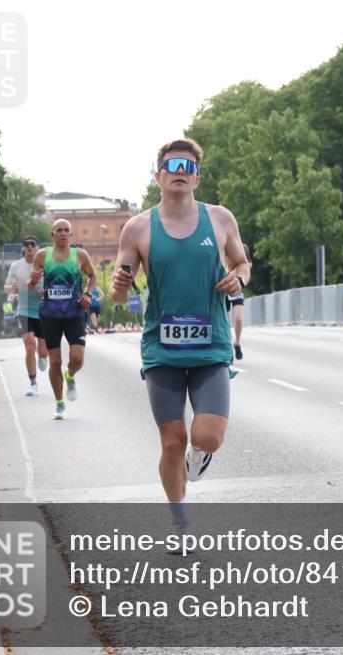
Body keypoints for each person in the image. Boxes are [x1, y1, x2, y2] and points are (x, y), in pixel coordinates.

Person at [110, 138, 249, 545]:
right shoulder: (137, 227)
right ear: (158, 175)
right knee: (172, 440)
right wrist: (119, 287)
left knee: (207, 436)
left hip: (210, 345)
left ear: (197, 178)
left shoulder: (220, 219)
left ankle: (199, 456)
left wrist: (238, 277)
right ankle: (180, 524)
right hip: (162, 348)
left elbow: (241, 262)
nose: (179, 171)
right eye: (171, 165)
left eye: (187, 166)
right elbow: (120, 295)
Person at [28, 220, 97, 419]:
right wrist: (32, 280)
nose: (63, 233)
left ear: (71, 234)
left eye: (67, 230)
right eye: (59, 230)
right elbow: (30, 286)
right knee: (55, 361)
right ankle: (59, 403)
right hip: (50, 315)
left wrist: (87, 294)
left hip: (74, 313)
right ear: (53, 234)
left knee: (77, 358)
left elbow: (93, 277)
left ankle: (71, 375)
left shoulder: (80, 255)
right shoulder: (42, 255)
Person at [5, 236, 50, 396]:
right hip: (23, 310)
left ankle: (43, 356)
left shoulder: (46, 264)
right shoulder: (16, 266)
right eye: (26, 245)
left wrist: (45, 292)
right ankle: (33, 383)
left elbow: (53, 285)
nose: (29, 247)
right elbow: (6, 287)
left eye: (33, 244)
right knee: (29, 344)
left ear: (38, 248)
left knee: (43, 352)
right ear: (23, 248)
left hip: (43, 311)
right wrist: (13, 286)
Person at [226, 243, 250, 360]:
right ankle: (228, 348)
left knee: (238, 319)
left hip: (236, 288)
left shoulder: (243, 248)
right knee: (225, 321)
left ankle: (237, 342)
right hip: (224, 288)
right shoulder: (224, 244)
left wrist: (241, 272)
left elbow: (248, 264)